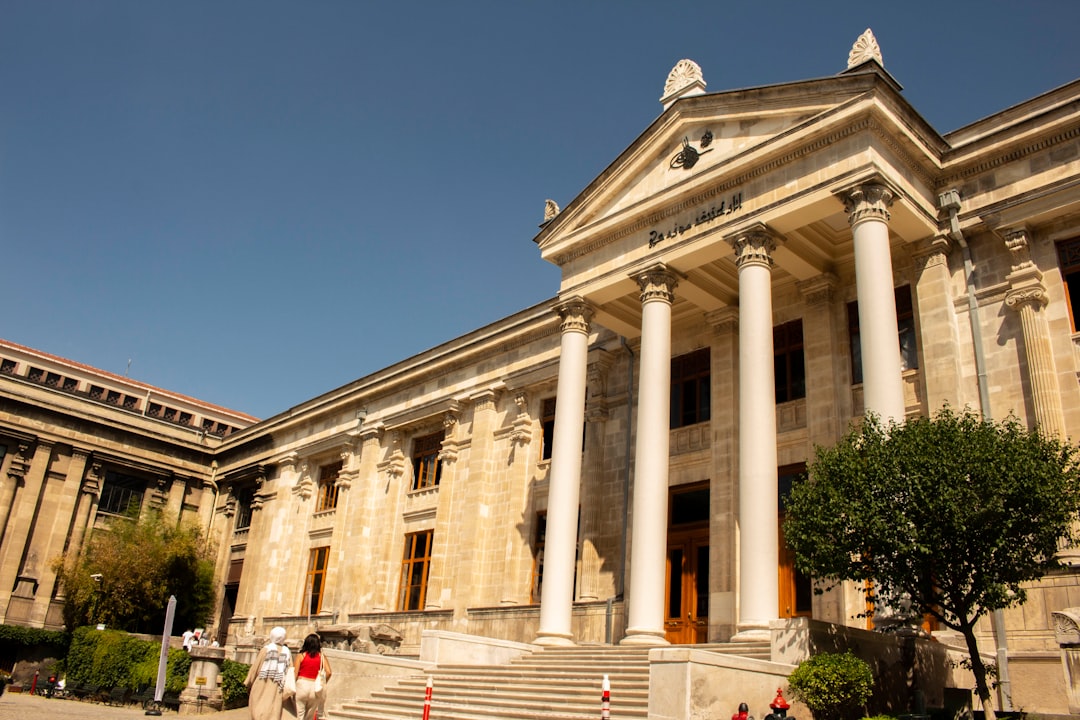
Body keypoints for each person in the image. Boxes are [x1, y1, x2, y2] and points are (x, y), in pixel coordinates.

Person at [244, 627, 296, 720]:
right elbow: (290, 670)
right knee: (274, 712)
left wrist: (248, 682)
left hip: (262, 683)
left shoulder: (266, 649)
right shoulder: (287, 652)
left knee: (258, 710)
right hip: (278, 686)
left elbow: (256, 668)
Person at [293, 633, 331, 720]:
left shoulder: (301, 656)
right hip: (315, 687)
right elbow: (329, 672)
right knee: (309, 716)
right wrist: (322, 682)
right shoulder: (322, 657)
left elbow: (295, 674)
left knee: (298, 715)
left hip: (302, 685)